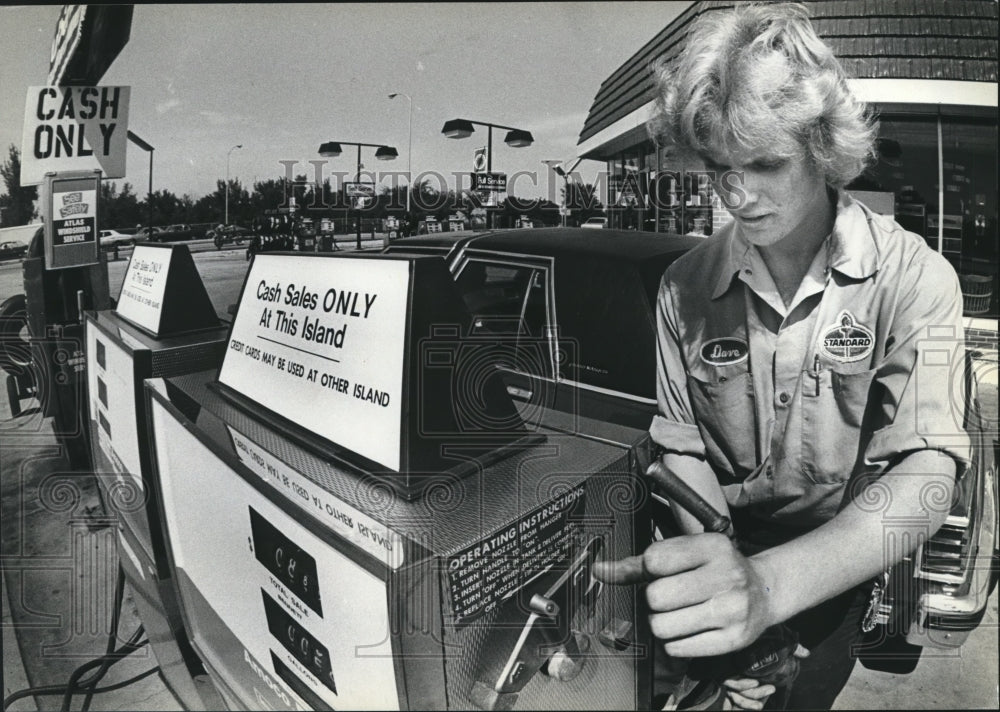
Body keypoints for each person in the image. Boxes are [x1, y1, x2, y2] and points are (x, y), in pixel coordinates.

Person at [592, 3, 969, 710]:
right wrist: (731, 584)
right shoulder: (684, 286)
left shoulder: (919, 278)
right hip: (719, 549)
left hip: (838, 564)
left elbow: (925, 479)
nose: (737, 193)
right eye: (718, 167)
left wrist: (771, 591)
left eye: (765, 163)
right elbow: (683, 450)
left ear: (823, 148)